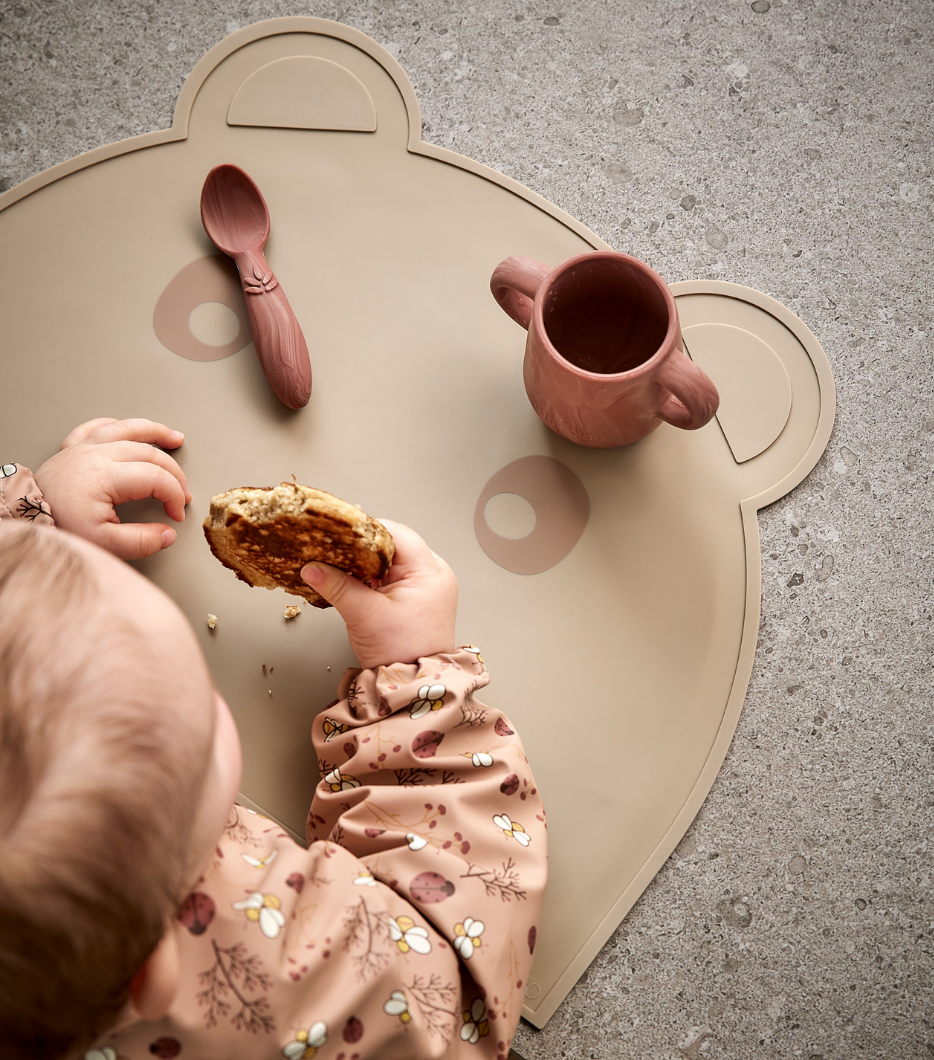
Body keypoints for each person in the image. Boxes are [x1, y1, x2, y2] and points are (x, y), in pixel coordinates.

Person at [0, 418, 545, 1060]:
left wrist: (27, 528)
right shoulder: (247, 983)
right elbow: (449, 988)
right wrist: (417, 686)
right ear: (152, 974)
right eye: (201, 721)